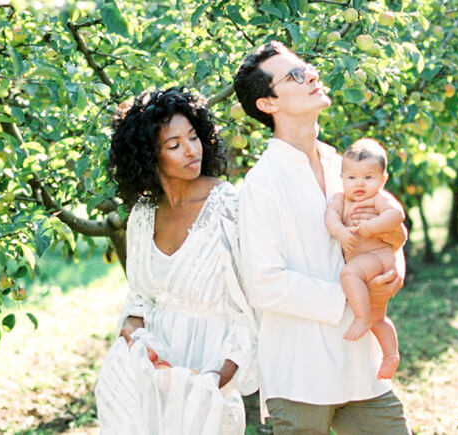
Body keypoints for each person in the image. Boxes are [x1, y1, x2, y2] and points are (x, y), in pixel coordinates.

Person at [234, 41, 411, 434]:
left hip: (360, 363)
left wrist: (390, 271)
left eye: (308, 68)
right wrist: (349, 297)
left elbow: (387, 230)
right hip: (301, 371)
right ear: (268, 104)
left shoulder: (342, 165)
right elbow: (265, 284)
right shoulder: (262, 184)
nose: (311, 76)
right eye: (294, 75)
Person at [94, 87, 258, 434]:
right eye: (174, 145)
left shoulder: (230, 207)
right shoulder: (143, 213)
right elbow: (137, 301)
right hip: (150, 378)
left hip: (208, 379)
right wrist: (143, 350)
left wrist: (215, 380)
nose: (191, 150)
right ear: (148, 156)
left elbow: (251, 308)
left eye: (194, 137)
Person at [325, 138, 405, 380]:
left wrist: (372, 227)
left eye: (369, 177)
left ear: (383, 179)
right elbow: (331, 217)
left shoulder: (378, 199)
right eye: (352, 178)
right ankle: (391, 355)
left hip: (378, 257)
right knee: (380, 318)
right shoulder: (341, 200)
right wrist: (340, 232)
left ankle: (361, 318)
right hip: (366, 264)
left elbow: (396, 215)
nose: (359, 184)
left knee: (349, 274)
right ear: (342, 178)